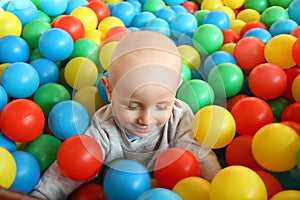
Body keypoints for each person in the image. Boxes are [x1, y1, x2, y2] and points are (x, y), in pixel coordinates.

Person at [31, 30, 222, 199]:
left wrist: (218, 186)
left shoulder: (179, 118)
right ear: (110, 91)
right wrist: (43, 195)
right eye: (133, 106)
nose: (146, 120)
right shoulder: (104, 128)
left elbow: (200, 155)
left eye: (161, 106)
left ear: (176, 89)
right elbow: (77, 165)